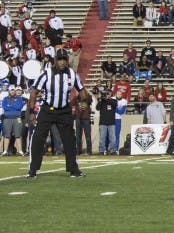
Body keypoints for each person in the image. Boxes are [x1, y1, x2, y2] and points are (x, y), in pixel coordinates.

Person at [25, 49, 85, 179]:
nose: (62, 62)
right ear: (55, 60)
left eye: (64, 59)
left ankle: (73, 168)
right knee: (38, 138)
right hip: (47, 109)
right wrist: (31, 112)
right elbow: (34, 92)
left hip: (64, 110)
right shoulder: (46, 74)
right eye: (60, 59)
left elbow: (82, 90)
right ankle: (32, 168)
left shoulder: (72, 74)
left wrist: (84, 101)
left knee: (69, 139)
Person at [96, 87, 118, 155]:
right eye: (106, 93)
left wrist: (108, 99)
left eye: (109, 93)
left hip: (111, 122)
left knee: (113, 138)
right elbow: (97, 108)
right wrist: (101, 100)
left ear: (111, 94)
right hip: (103, 122)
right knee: (102, 138)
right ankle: (101, 150)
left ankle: (113, 150)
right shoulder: (102, 101)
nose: (107, 94)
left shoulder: (113, 101)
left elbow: (114, 105)